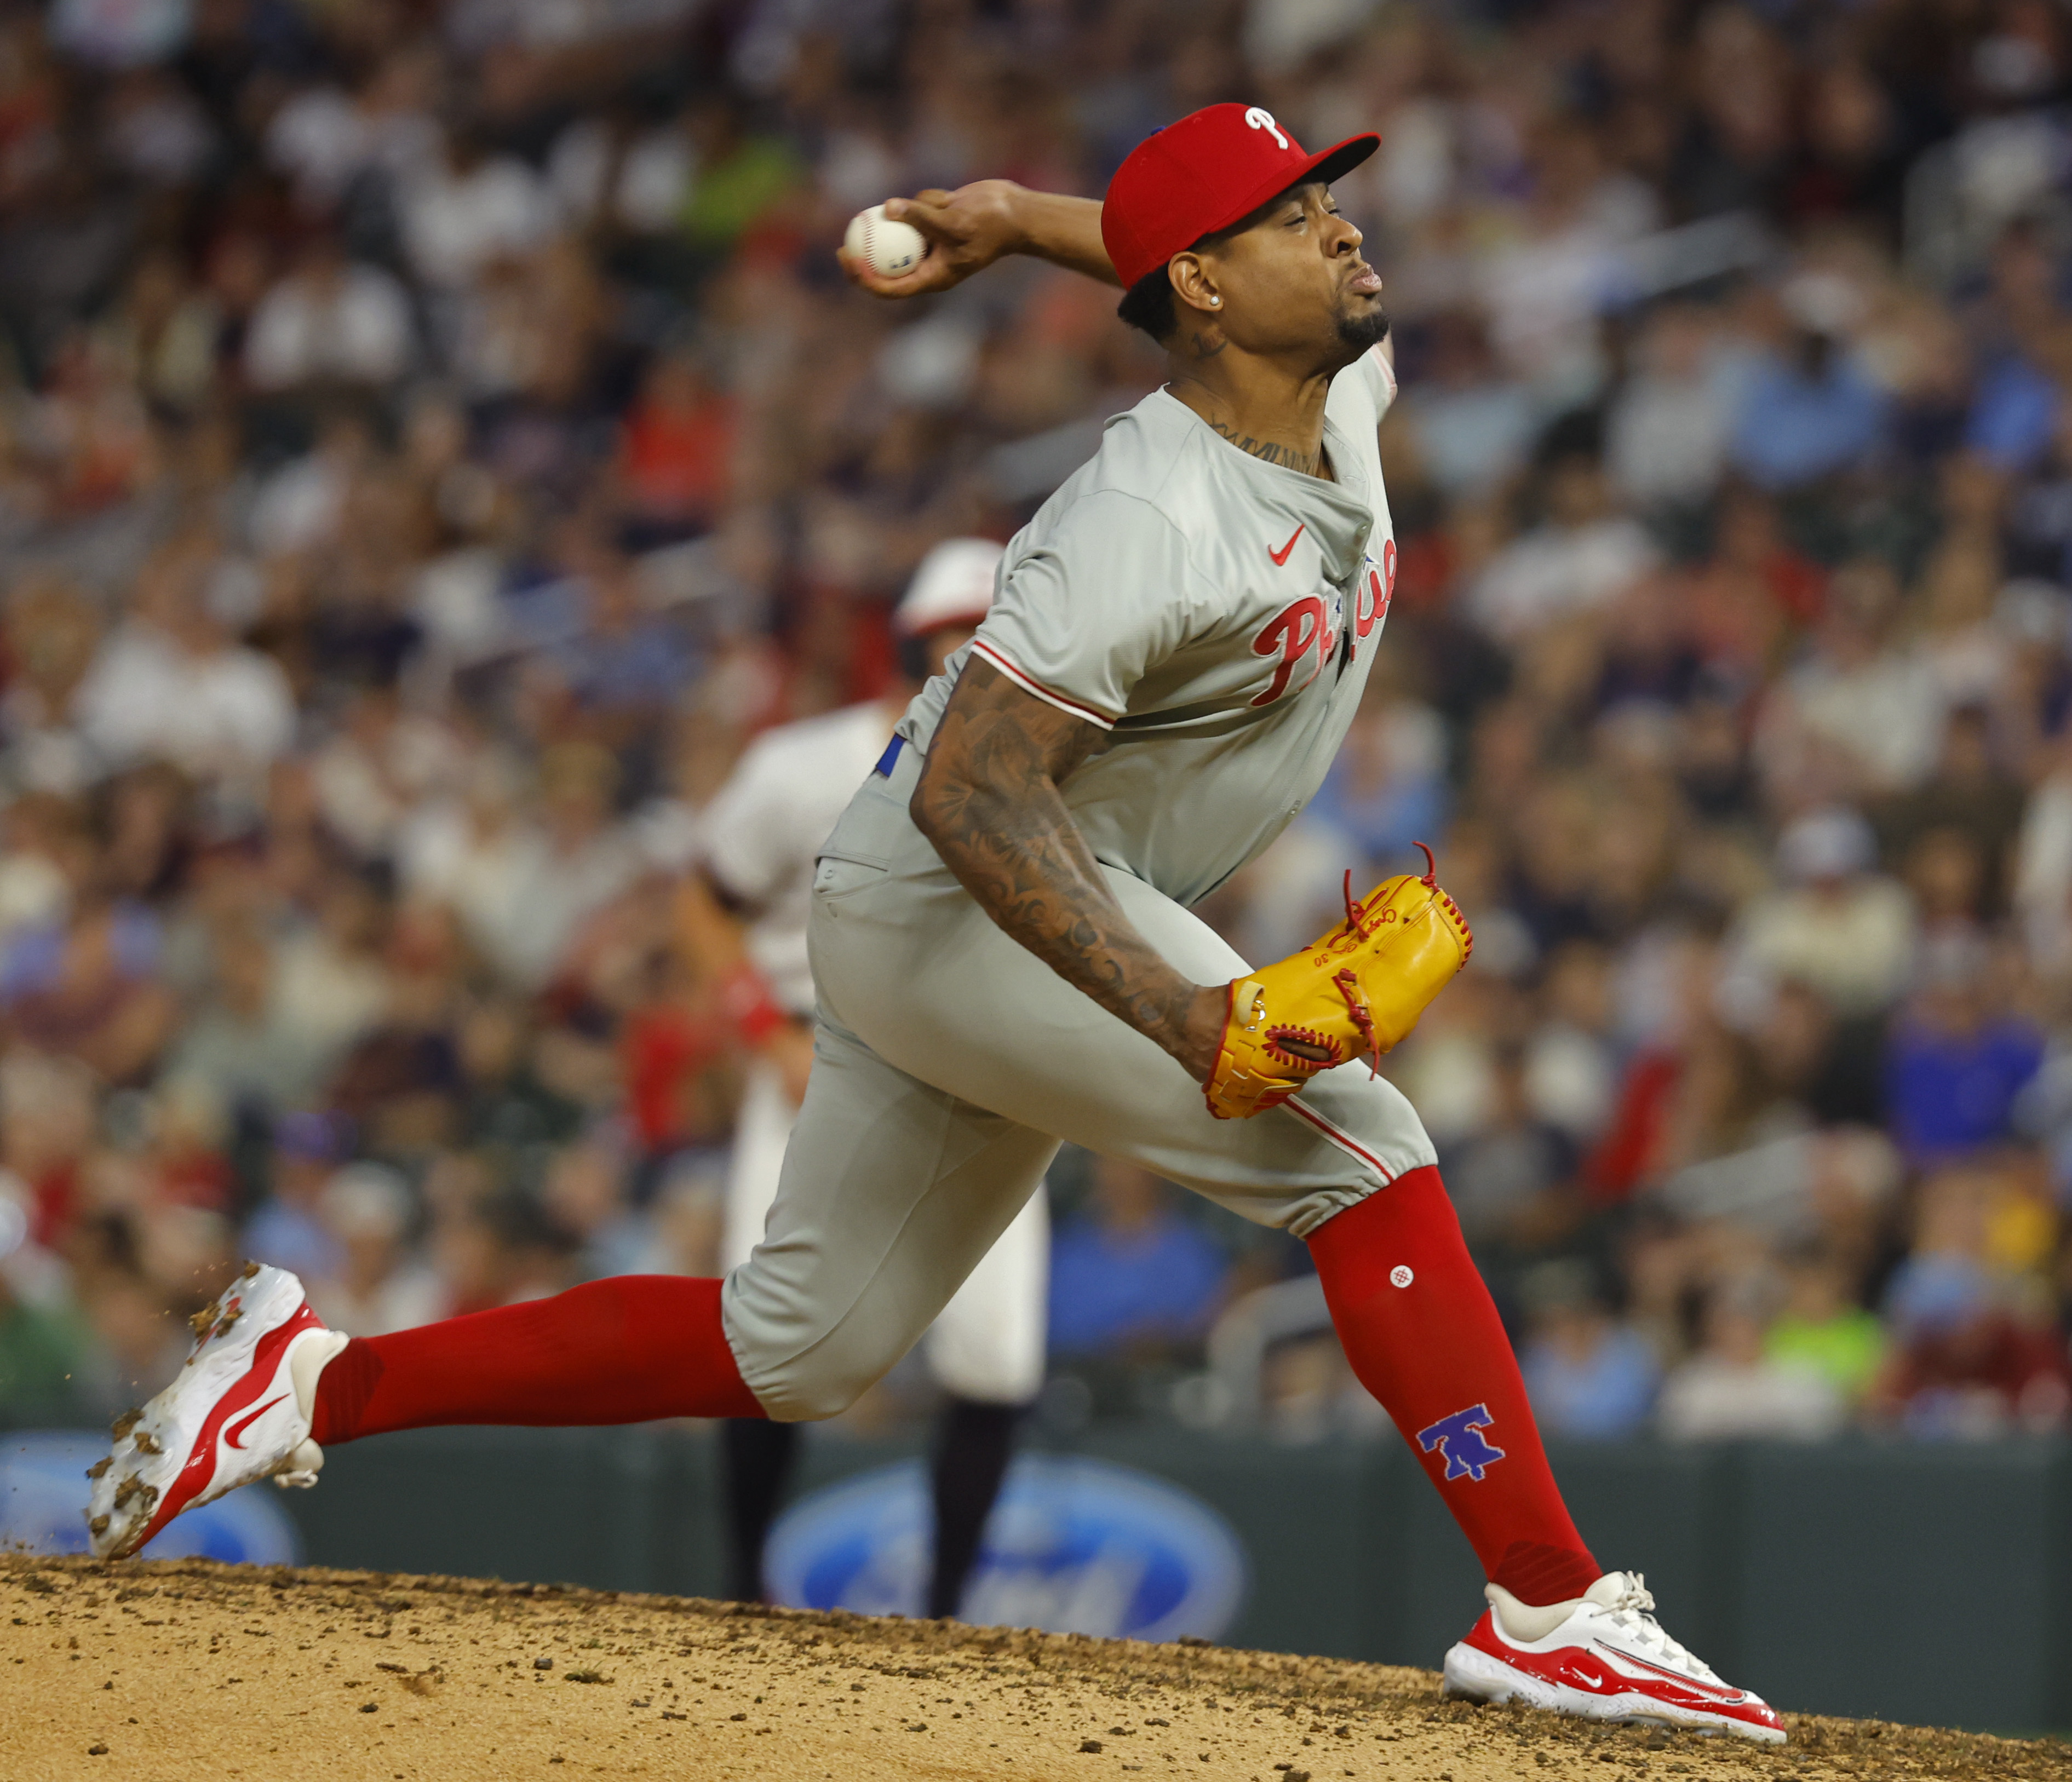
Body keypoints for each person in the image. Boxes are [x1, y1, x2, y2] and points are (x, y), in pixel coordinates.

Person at [86, 105, 1785, 1744]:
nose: (1337, 225)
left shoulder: (1334, 387)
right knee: (1357, 1139)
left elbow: (1151, 258)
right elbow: (977, 791)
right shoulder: (1140, 521)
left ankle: (308, 1380)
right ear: (1206, 285)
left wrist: (1015, 216)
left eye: (1322, 197)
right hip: (955, 893)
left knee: (799, 1348)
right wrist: (1189, 1022)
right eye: (1287, 213)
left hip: (982, 908)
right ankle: (1549, 1605)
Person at [673, 535, 1047, 1611]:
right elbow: (703, 901)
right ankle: (744, 1588)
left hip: (978, 1077)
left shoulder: (1055, 782)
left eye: (1000, 630)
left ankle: (944, 1615)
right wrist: (763, 1030)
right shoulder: (802, 764)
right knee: (764, 1344)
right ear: (911, 643)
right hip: (816, 1058)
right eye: (958, 633)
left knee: (995, 1355)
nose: (979, 650)